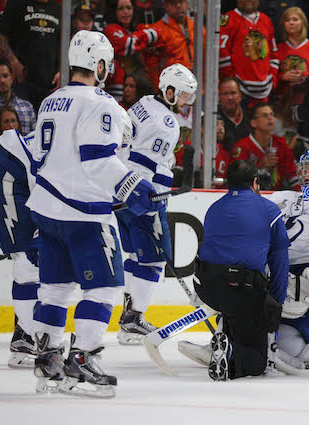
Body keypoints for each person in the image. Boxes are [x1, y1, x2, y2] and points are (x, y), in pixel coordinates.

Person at [26, 30, 161, 398]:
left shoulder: (50, 100)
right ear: (99, 65)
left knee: (54, 288)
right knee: (103, 288)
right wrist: (135, 186)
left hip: (47, 210)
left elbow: (40, 157)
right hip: (83, 213)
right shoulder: (100, 103)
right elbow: (98, 160)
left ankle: (48, 356)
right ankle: (82, 360)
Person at [179, 149, 309, 374]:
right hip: (274, 278)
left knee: (287, 344)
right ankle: (228, 345)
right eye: (303, 169)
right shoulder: (282, 198)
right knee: (248, 321)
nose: (305, 174)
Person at [116, 63, 197, 345]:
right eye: (184, 95)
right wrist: (151, 194)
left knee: (136, 257)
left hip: (122, 190)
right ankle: (133, 319)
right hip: (145, 195)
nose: (187, 101)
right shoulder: (168, 123)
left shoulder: (143, 103)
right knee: (155, 259)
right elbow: (147, 163)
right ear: (170, 90)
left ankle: (128, 318)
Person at [194, 160, 289, 381]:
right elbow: (279, 260)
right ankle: (232, 353)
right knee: (256, 365)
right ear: (256, 183)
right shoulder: (269, 209)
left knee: (234, 310)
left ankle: (224, 337)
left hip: (206, 286)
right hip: (242, 289)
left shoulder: (214, 208)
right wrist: (276, 302)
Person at [0, 129, 39, 369]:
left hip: (12, 172)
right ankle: (25, 339)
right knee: (29, 259)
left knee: (35, 259)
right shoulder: (78, 143)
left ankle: (27, 334)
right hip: (6, 172)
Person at [0, 0, 61, 109]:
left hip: (50, 81)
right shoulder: (17, 4)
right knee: (22, 120)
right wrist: (13, 61)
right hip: (22, 79)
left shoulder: (58, 8)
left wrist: (61, 70)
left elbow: (64, 42)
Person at [219, 0, 279, 104]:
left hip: (265, 90)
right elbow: (222, 54)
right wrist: (233, 82)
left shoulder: (266, 20)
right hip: (239, 91)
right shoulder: (228, 19)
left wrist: (272, 80)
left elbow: (273, 54)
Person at [230, 103, 299, 191]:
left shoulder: (281, 143)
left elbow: (292, 173)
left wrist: (300, 193)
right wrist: (259, 166)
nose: (270, 118)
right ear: (253, 123)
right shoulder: (242, 146)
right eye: (264, 115)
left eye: (272, 114)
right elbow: (235, 178)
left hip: (277, 195)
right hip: (250, 195)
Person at [103, 0, 160, 100]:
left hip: (139, 83)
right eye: (121, 8)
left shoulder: (137, 28)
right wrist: (142, 39)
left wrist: (135, 37)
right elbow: (130, 45)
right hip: (116, 85)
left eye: (129, 8)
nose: (126, 12)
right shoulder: (110, 29)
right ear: (114, 11)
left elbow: (156, 35)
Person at [142, 0, 204, 88]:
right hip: (171, 88)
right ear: (165, 5)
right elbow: (151, 67)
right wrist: (159, 90)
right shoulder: (158, 30)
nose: (178, 6)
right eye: (173, 3)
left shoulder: (198, 28)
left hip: (197, 86)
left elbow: (206, 60)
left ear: (187, 3)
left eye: (181, 2)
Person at [0, 59, 36, 142]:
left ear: (11, 78)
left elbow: (35, 139)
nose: (2, 80)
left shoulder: (27, 107)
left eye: (5, 76)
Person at [218, 77, 253, 152]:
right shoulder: (213, 117)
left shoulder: (251, 115)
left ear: (240, 96)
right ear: (219, 97)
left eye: (233, 93)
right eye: (225, 94)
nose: (230, 98)